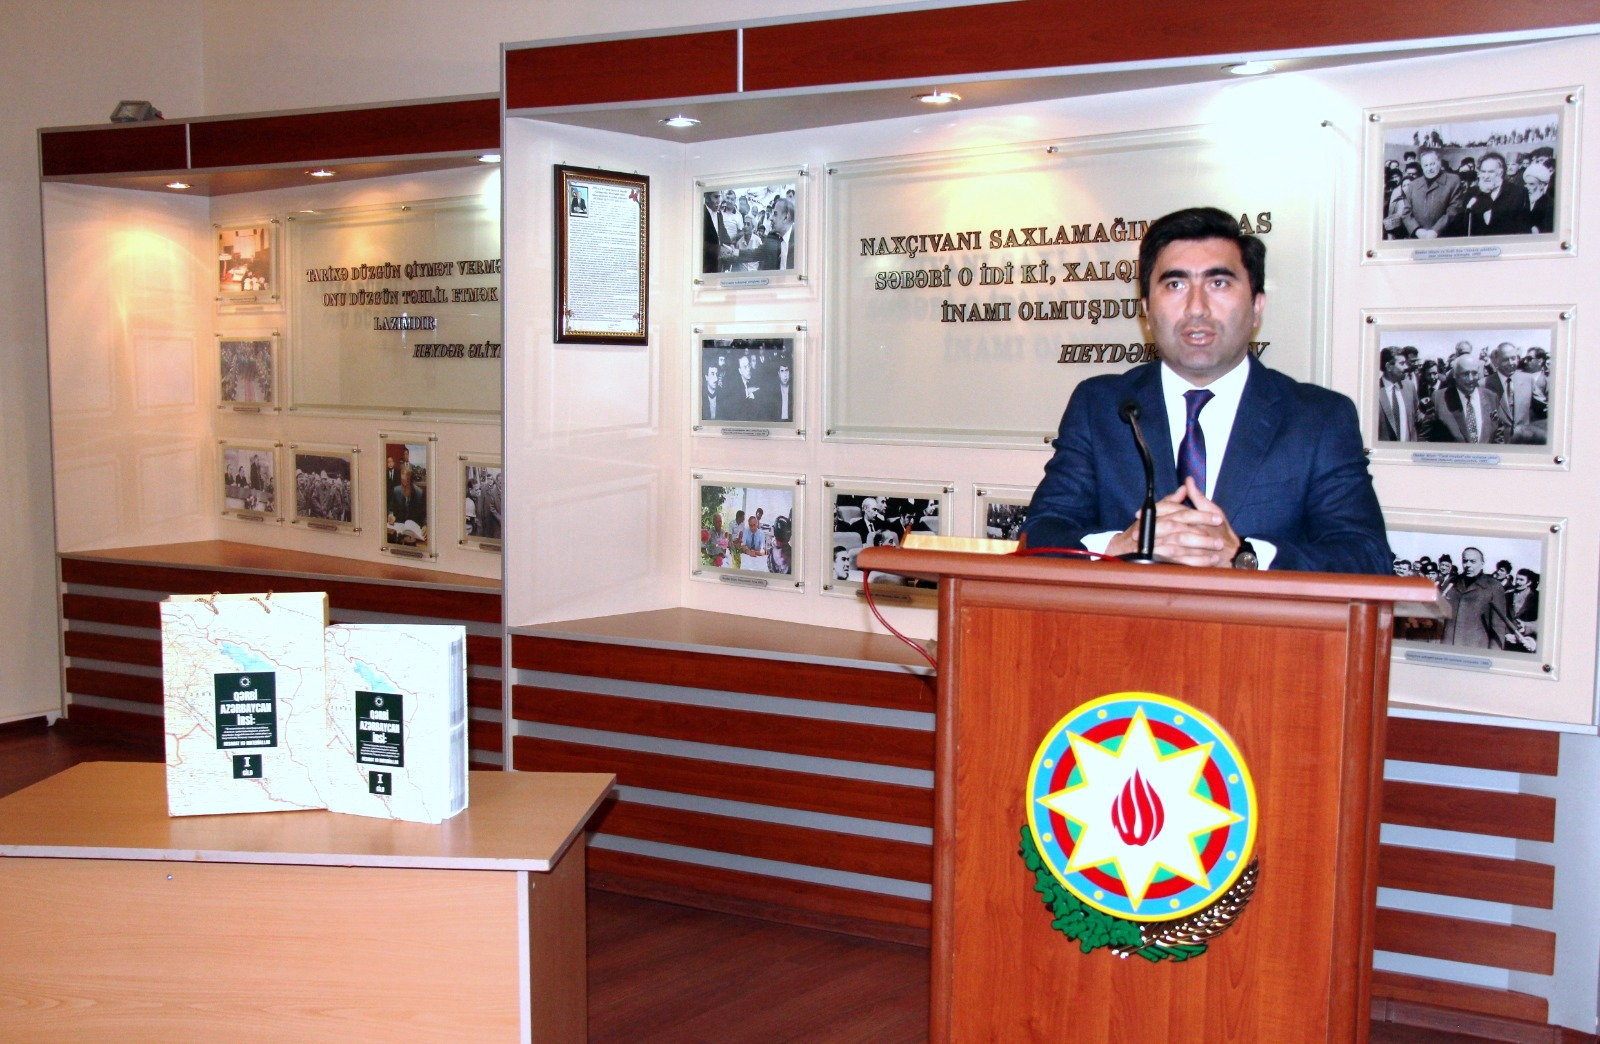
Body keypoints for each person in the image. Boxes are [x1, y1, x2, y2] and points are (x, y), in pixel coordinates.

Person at [1021, 206, 1389, 573]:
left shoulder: (1318, 418)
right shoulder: (1101, 406)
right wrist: (1121, 546)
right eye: (1175, 285)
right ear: (1146, 309)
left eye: (1219, 283)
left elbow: (1367, 558)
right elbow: (1040, 534)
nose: (1196, 308)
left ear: (1257, 306)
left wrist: (1243, 556)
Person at [1443, 547, 1516, 648]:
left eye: (1473, 561)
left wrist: (1494, 653)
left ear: (1482, 563)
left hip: (1475, 646)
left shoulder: (1493, 587)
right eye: (1465, 561)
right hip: (1448, 644)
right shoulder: (1452, 582)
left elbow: (1498, 626)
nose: (1468, 565)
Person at [1431, 353, 1506, 444]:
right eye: (1465, 374)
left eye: (1474, 373)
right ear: (1454, 374)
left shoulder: (1491, 398)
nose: (1471, 379)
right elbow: (1425, 438)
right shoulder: (1438, 399)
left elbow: (1498, 435)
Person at [1454, 152, 1530, 236]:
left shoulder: (1518, 193)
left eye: (1491, 172)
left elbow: (1524, 227)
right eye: (1483, 171)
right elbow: (1463, 226)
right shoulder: (1471, 194)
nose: (1486, 176)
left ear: (1501, 173)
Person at [1485, 342, 1545, 444]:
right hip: (1497, 443)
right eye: (1505, 360)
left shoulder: (1528, 379)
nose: (1510, 363)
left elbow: (1544, 408)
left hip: (1523, 442)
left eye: (1513, 358)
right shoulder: (1484, 384)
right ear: (1496, 361)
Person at [1401, 147, 1464, 239]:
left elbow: (1454, 209)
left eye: (1432, 164)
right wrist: (1417, 231)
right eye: (1426, 165)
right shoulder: (1413, 185)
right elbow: (1406, 213)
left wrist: (1435, 230)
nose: (1429, 168)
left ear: (1439, 163)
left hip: (1444, 236)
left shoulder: (1453, 181)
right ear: (1422, 167)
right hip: (1419, 237)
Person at [1377, 346, 1420, 442]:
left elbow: (1416, 418)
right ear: (1389, 366)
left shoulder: (1409, 387)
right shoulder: (1374, 391)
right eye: (1402, 363)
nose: (1406, 367)